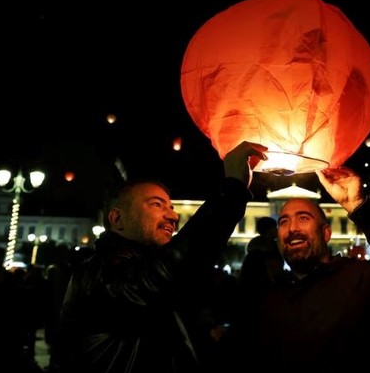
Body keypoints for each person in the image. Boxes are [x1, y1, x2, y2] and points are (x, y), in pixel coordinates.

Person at [55, 141, 267, 373]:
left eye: (172, 207)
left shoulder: (158, 278)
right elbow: (160, 274)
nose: (173, 216)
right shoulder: (98, 274)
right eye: (157, 205)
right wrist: (233, 190)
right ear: (118, 219)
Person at [217, 165, 370, 370]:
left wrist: (359, 207)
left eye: (303, 218)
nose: (292, 228)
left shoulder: (363, 278)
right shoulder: (268, 298)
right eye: (283, 221)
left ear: (326, 233)